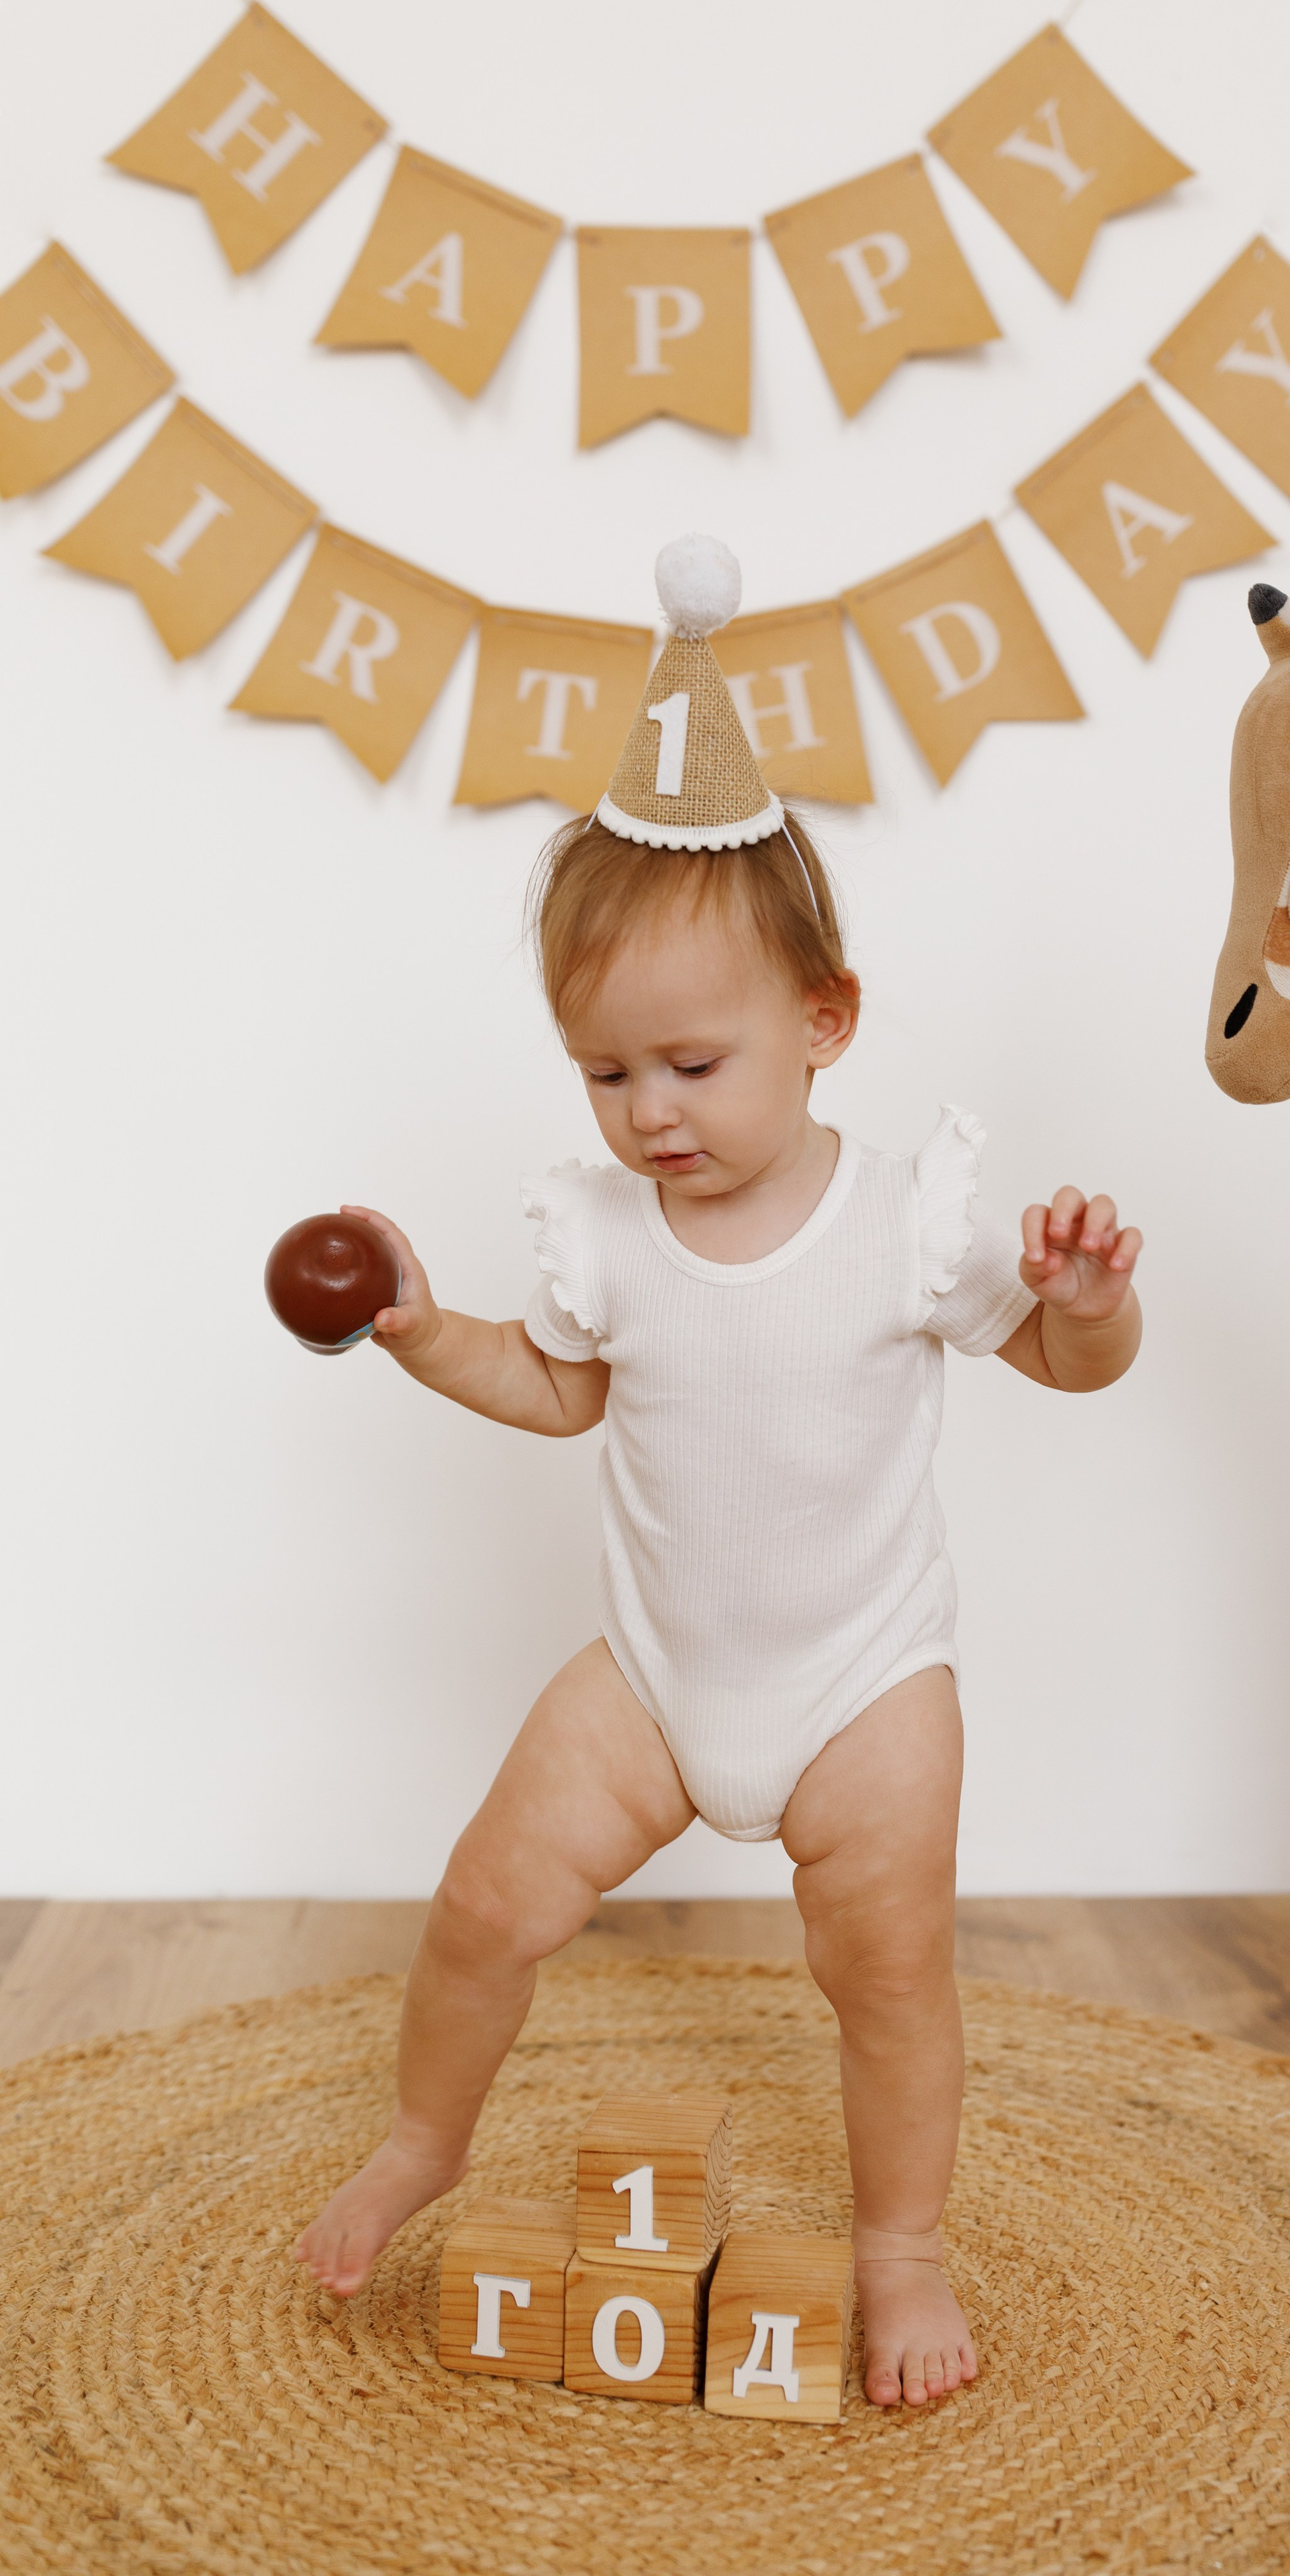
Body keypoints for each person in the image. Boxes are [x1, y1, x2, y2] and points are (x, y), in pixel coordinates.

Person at [294, 537, 1142, 2409]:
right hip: (660, 1681)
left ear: (825, 1020)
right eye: (605, 1076)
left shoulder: (908, 1220)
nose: (649, 1114)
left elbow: (1071, 1369)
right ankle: (425, 2138)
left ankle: (902, 2246)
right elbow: (562, 1390)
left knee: (890, 1976)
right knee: (482, 1904)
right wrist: (427, 1327)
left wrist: (1086, 1302)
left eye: (689, 1062)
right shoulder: (606, 1229)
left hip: (862, 1686)